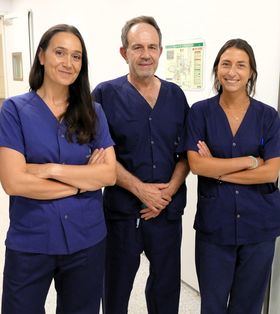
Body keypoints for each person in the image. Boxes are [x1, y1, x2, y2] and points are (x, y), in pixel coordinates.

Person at [0, 24, 116, 314]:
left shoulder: (93, 111)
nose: (68, 63)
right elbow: (14, 183)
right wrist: (82, 181)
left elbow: (108, 174)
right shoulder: (13, 111)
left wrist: (50, 169)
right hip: (32, 239)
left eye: (76, 56)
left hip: (86, 240)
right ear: (42, 55)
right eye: (60, 52)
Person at [93, 16, 189, 314]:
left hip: (167, 213)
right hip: (122, 214)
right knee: (116, 289)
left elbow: (186, 154)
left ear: (160, 51)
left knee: (166, 289)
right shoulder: (104, 95)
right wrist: (141, 190)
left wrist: (167, 192)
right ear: (124, 52)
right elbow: (99, 155)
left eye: (152, 47)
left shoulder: (175, 96)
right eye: (137, 47)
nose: (145, 54)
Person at [186, 38, 280, 313]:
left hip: (259, 228)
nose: (232, 72)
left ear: (251, 72)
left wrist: (218, 168)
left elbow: (271, 172)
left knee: (248, 306)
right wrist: (250, 161)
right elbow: (197, 165)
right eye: (225, 64)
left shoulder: (268, 116)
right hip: (215, 227)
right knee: (213, 305)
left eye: (241, 65)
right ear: (216, 69)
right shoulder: (200, 112)